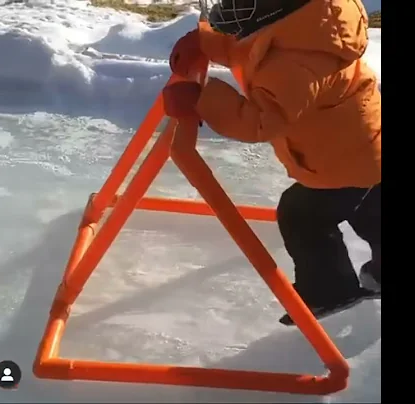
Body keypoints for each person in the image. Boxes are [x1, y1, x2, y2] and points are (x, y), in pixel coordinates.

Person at [163, 0, 381, 323]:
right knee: (369, 208)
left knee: (300, 215)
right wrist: (205, 43)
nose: (230, 6)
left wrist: (202, 100)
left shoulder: (297, 61)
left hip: (342, 160)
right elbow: (251, 45)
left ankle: (329, 288)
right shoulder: (303, 25)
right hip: (362, 148)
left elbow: (262, 120)